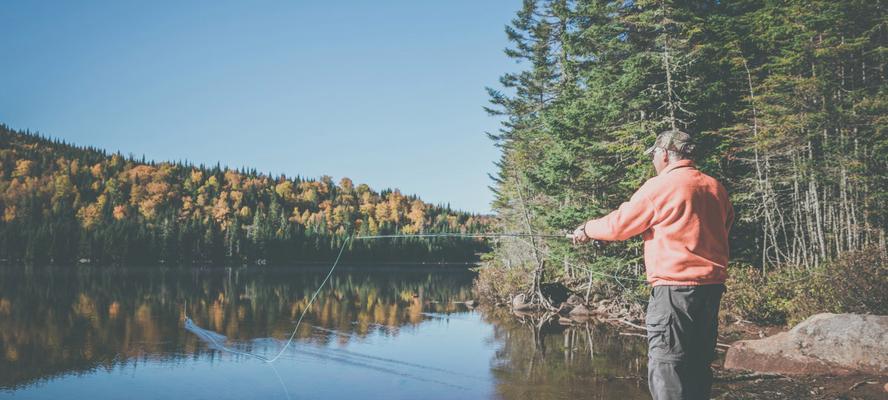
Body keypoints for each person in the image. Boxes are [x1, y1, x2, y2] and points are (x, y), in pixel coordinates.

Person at [572, 129, 734, 400]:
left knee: (668, 367)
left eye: (655, 155)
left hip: (674, 292)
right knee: (697, 367)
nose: (653, 161)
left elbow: (619, 224)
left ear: (666, 155)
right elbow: (719, 227)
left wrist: (587, 229)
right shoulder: (715, 187)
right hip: (710, 291)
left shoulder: (662, 185)